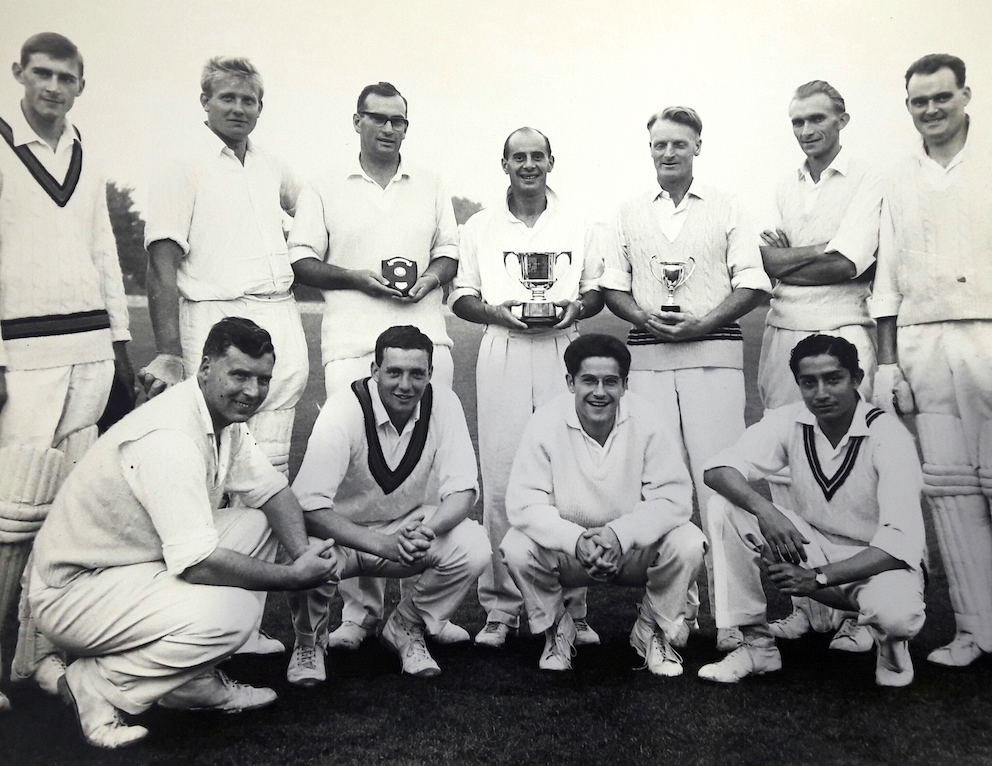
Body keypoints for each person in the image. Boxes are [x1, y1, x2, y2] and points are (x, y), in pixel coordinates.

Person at [28, 318, 338, 749]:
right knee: (233, 616)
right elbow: (198, 564)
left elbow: (273, 492)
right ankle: (95, 684)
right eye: (239, 375)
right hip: (75, 593)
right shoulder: (171, 435)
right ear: (206, 367)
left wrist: (303, 555)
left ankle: (190, 683)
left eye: (262, 378)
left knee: (262, 523)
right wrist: (295, 577)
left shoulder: (217, 416)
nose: (252, 391)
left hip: (131, 568)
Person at [287, 82, 463, 650]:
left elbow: (449, 252)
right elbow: (303, 262)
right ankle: (359, 613)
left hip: (425, 342)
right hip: (351, 346)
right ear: (357, 121)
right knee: (354, 483)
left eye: (398, 121)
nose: (389, 129)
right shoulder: (322, 185)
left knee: (428, 473)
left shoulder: (432, 184)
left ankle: (414, 612)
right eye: (378, 119)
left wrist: (429, 282)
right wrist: (359, 277)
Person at [600, 106, 770, 650]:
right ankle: (672, 615)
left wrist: (701, 324)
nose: (668, 153)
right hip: (648, 366)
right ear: (648, 150)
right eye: (658, 145)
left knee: (721, 484)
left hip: (713, 361)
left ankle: (736, 620)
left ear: (698, 147)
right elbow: (613, 287)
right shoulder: (627, 211)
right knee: (660, 492)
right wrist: (643, 317)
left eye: (679, 144)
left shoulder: (728, 206)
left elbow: (752, 284)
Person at [0, 32, 133, 711]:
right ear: (18, 73)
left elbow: (104, 254)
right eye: (42, 74)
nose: (53, 87)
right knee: (10, 513)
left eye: (67, 78)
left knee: (67, 515)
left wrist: (121, 344)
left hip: (88, 352)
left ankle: (36, 655)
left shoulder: (86, 150)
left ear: (81, 85)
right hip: (22, 355)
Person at [697, 335, 926, 687]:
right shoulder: (791, 420)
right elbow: (717, 469)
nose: (821, 393)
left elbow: (900, 544)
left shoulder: (889, 435)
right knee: (725, 508)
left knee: (896, 617)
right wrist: (765, 510)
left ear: (857, 379)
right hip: (812, 548)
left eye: (833, 379)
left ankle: (892, 650)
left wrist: (818, 577)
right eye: (809, 382)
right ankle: (757, 647)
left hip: (878, 563)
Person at [450, 127, 604, 649]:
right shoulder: (479, 226)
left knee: (572, 475)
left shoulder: (579, 223)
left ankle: (574, 606)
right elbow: (463, 298)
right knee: (502, 472)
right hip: (503, 348)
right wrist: (498, 313)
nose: (529, 165)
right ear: (505, 164)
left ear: (552, 162)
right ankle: (500, 608)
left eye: (538, 156)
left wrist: (574, 310)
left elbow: (594, 293)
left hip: (565, 347)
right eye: (520, 157)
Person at [870, 53, 992, 668]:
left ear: (965, 95)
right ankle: (975, 629)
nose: (931, 110)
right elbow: (887, 272)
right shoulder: (898, 176)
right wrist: (888, 362)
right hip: (923, 340)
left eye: (941, 98)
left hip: (990, 333)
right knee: (948, 486)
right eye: (919, 102)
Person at [286, 325, 489, 686]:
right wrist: (382, 544)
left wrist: (428, 531)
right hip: (344, 537)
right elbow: (308, 507)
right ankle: (309, 641)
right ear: (375, 371)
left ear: (430, 373)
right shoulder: (342, 409)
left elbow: (463, 491)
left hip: (409, 530)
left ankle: (406, 625)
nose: (405, 385)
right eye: (393, 372)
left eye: (417, 374)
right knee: (303, 551)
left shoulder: (444, 403)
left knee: (473, 545)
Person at [757, 80, 885, 652]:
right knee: (787, 471)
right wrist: (816, 251)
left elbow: (850, 261)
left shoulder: (868, 178)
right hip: (781, 331)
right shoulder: (780, 184)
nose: (807, 131)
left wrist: (798, 258)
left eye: (817, 119)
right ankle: (806, 607)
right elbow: (765, 261)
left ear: (842, 119)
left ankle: (864, 610)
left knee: (855, 469)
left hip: (842, 327)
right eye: (797, 122)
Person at [140, 56, 308, 479]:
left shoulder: (272, 165)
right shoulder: (182, 165)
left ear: (260, 107)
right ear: (205, 101)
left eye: (248, 100)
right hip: (215, 313)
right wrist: (168, 352)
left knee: (271, 459)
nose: (238, 108)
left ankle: (265, 545)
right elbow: (161, 263)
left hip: (280, 313)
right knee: (210, 453)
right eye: (227, 98)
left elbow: (313, 216)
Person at [501, 333, 704, 674]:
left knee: (688, 542)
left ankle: (650, 630)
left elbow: (674, 498)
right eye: (588, 381)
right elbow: (523, 503)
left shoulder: (648, 419)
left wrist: (619, 535)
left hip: (630, 551)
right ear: (570, 382)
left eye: (610, 382)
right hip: (571, 554)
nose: (599, 392)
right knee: (517, 546)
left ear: (625, 384)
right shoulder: (545, 422)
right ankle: (557, 629)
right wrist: (575, 540)